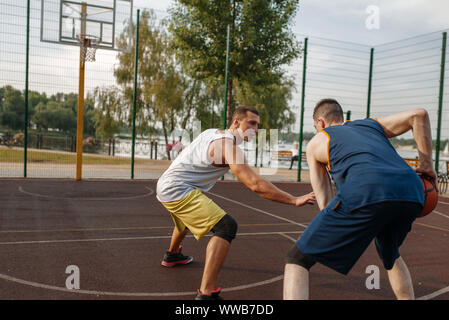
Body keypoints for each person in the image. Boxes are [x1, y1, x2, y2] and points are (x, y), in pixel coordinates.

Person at [283, 98, 437, 300]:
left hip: (366, 188)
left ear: (320, 123)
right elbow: (419, 115)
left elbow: (325, 203)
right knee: (390, 254)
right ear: (341, 117)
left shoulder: (317, 142)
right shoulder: (370, 124)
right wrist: (427, 166)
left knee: (297, 259)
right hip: (413, 190)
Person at [156, 105, 316, 300]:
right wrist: (294, 199)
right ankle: (206, 294)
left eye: (257, 125)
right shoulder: (228, 147)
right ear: (236, 122)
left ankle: (172, 255)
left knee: (186, 219)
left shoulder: (212, 133)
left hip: (169, 184)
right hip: (176, 188)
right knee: (226, 226)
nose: (255, 130)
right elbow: (256, 184)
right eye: (251, 123)